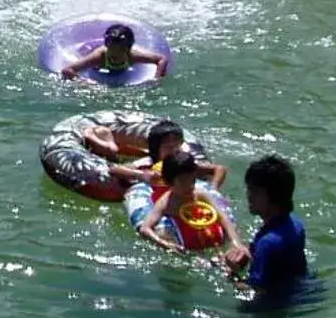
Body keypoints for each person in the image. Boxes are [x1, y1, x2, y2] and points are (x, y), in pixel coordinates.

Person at [224, 154, 310, 302]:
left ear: (274, 197)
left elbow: (255, 291)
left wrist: (232, 273)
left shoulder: (267, 243)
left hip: (272, 309)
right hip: (301, 292)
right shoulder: (295, 224)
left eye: (255, 191)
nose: (248, 196)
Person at [131, 151, 242, 256]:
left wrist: (236, 243)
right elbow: (145, 228)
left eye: (192, 180)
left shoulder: (200, 195)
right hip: (185, 242)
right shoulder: (165, 203)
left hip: (206, 236)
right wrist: (164, 244)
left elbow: (224, 218)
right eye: (183, 182)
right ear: (169, 182)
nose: (190, 186)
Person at [80, 118, 229, 192]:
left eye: (176, 145)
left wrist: (213, 190)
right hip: (144, 185)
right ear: (156, 148)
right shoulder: (148, 163)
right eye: (167, 146)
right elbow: (114, 169)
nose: (173, 149)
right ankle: (104, 142)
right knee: (112, 156)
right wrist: (143, 176)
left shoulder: (183, 163)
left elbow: (219, 169)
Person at [61, 21, 170, 82]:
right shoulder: (99, 56)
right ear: (107, 46)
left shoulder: (133, 55)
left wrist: (157, 80)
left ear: (128, 49)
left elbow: (161, 59)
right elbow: (67, 70)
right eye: (112, 49)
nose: (115, 53)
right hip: (91, 54)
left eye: (121, 50)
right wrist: (88, 84)